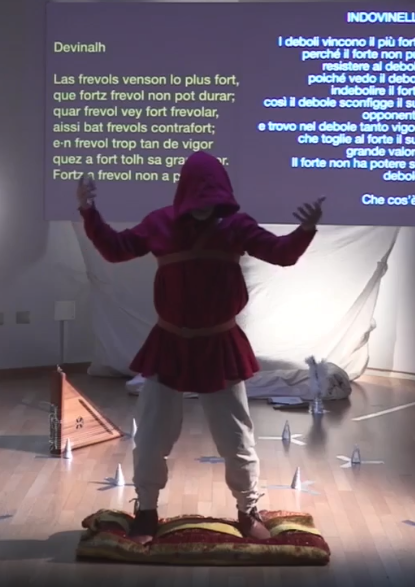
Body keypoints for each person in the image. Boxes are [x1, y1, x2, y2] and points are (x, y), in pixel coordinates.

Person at [76, 152, 323, 544]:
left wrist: (305, 230)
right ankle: (146, 510)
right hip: (170, 343)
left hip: (219, 345)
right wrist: (89, 212)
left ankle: (247, 509)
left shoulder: (236, 225)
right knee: (152, 436)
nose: (205, 200)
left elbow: (281, 253)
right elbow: (116, 248)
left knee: (236, 438)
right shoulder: (161, 222)